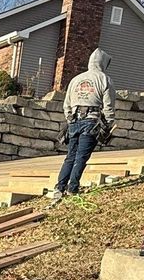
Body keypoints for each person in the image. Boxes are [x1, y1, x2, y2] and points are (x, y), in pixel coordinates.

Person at [49, 48, 116, 203]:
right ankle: (72, 188)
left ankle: (59, 188)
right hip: (91, 122)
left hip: (74, 122)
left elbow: (67, 104)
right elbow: (108, 106)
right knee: (81, 157)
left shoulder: (76, 79)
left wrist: (70, 119)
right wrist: (108, 124)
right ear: (103, 63)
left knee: (70, 157)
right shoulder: (105, 79)